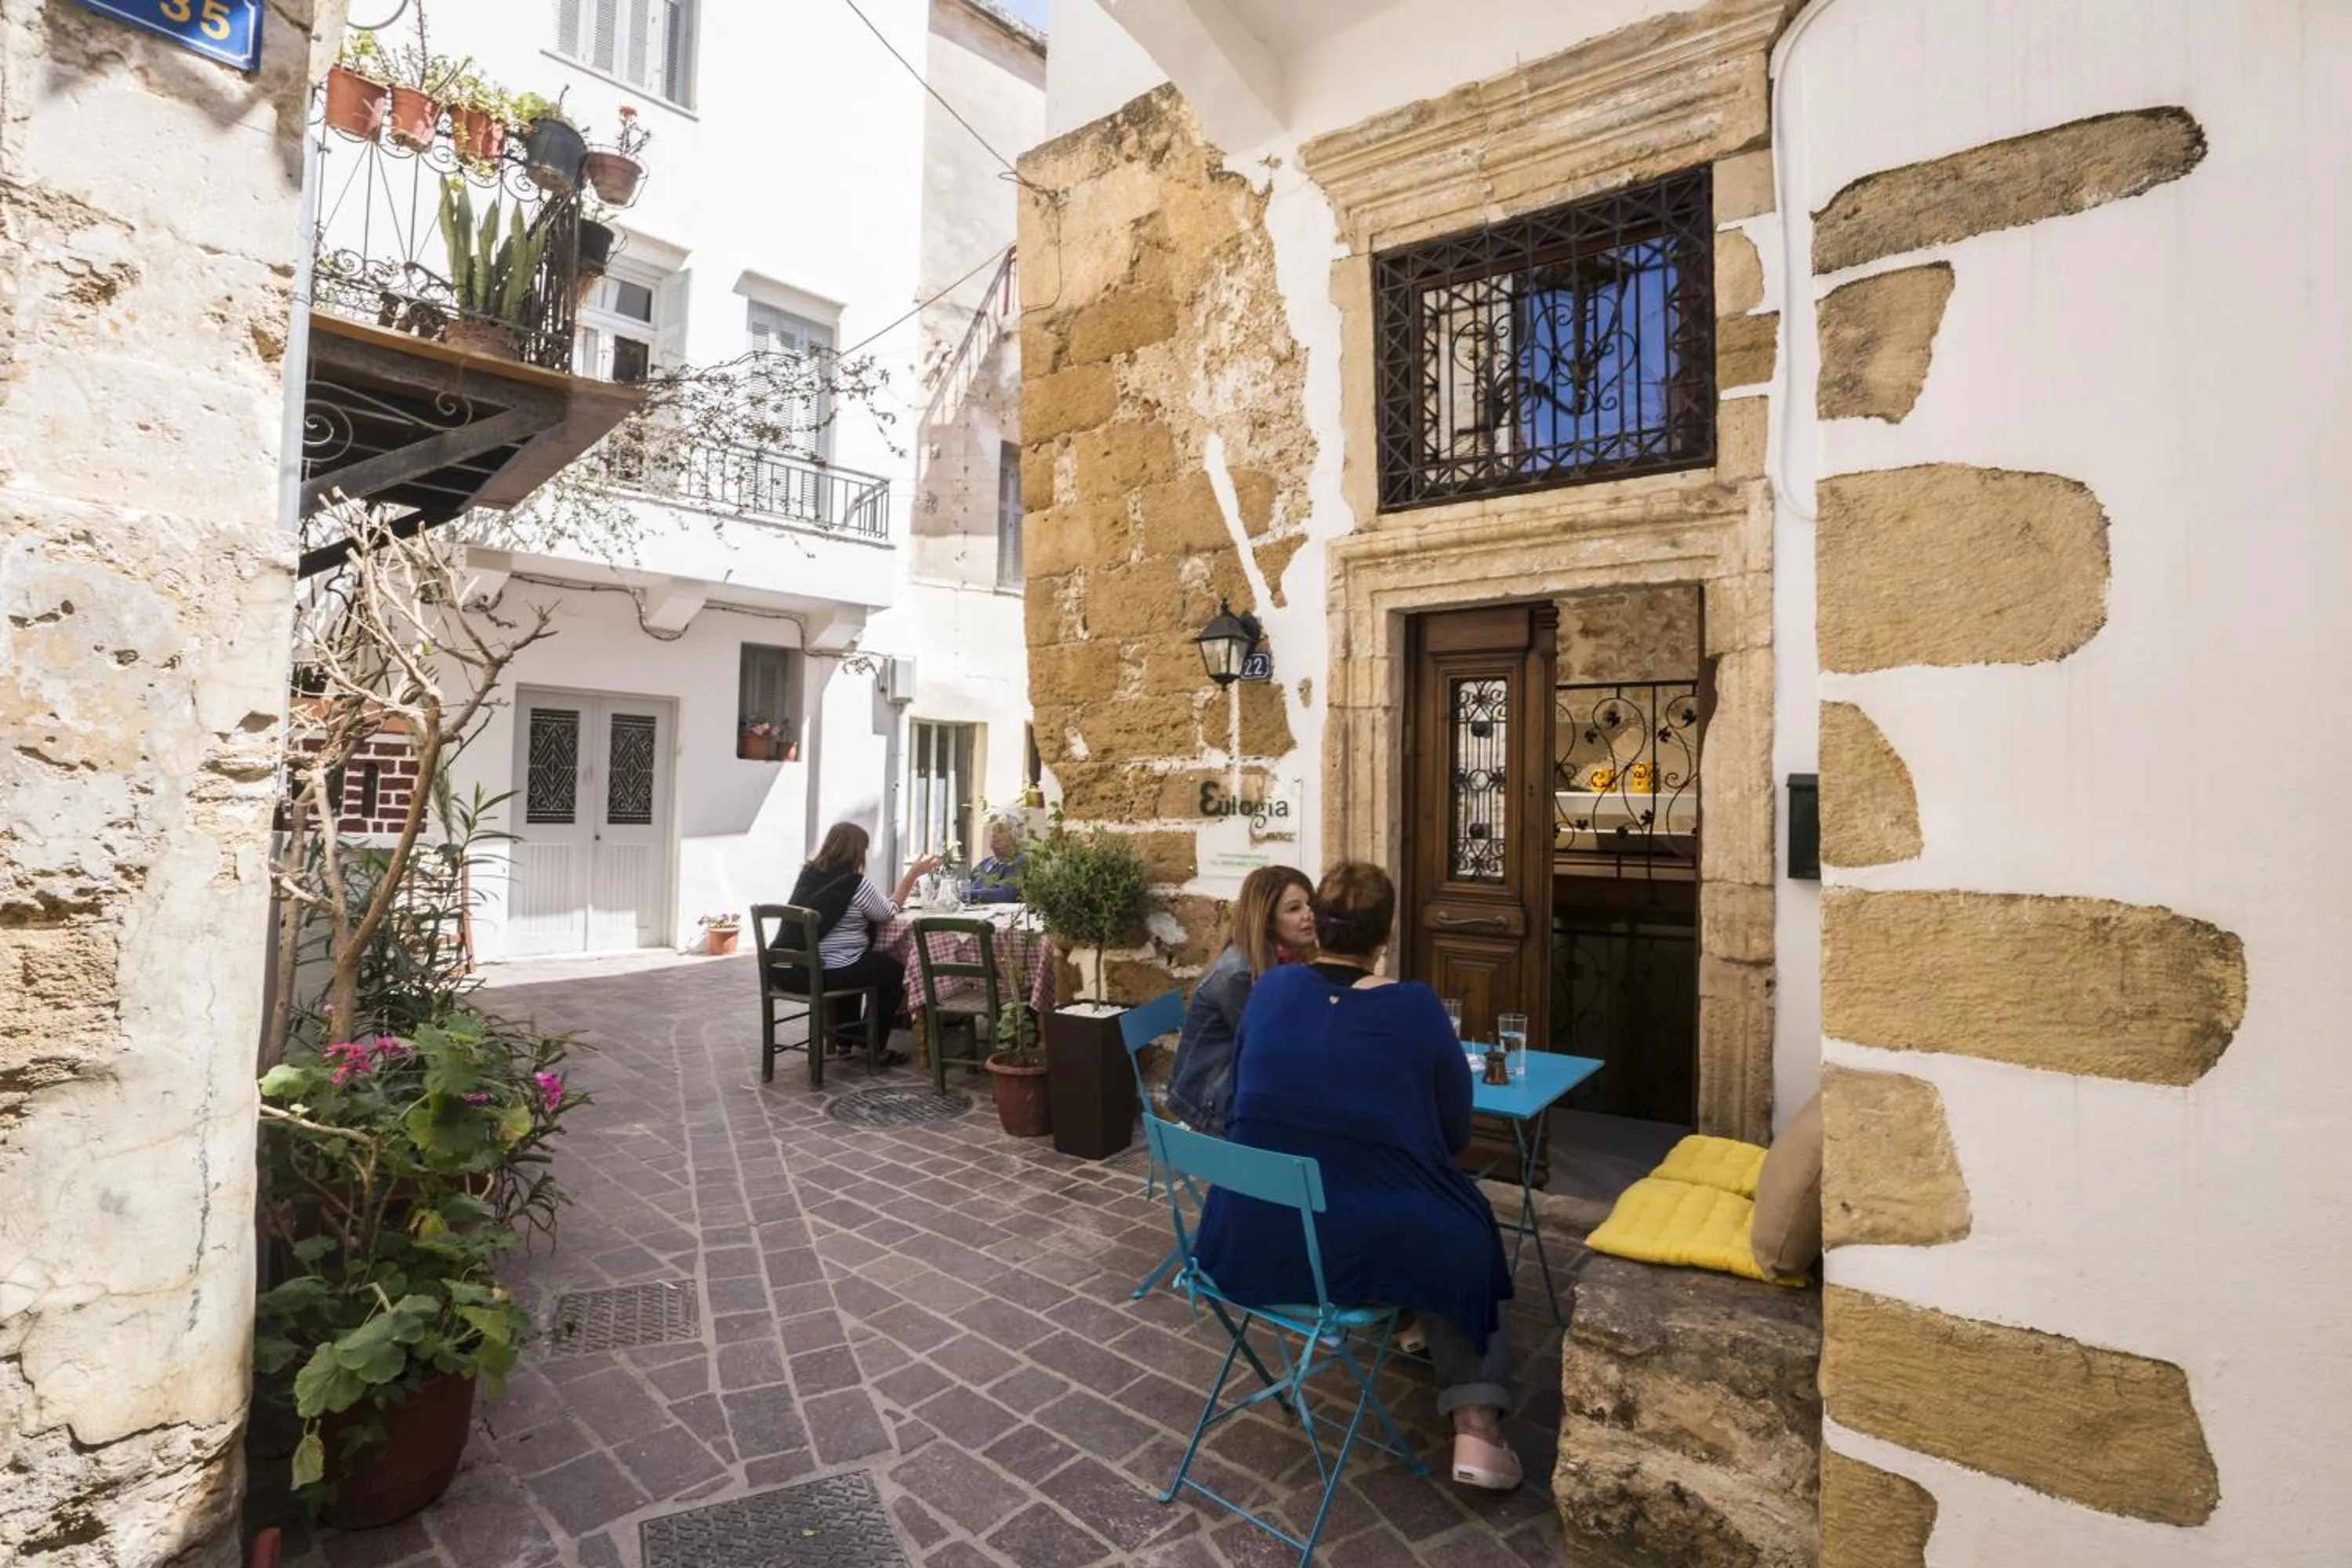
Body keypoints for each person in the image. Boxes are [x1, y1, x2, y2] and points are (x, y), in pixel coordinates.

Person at [1191, 861, 1522, 1491]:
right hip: (1347, 1243)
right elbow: (1453, 1135)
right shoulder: (1415, 1007)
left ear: (1319, 926)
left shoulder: (1271, 991)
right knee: (1464, 1227)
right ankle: (1477, 1428)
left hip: (1248, 1232)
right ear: (1387, 933)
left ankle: (1418, 1322)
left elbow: (1244, 1100)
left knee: (1402, 1204)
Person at [1163, 865, 1316, 1134]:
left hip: (1240, 1080)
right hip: (1213, 1101)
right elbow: (1273, 1049)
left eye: (1310, 904)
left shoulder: (1285, 958)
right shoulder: (1241, 974)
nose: (1309, 915)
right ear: (1267, 920)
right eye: (1294, 909)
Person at [782, 822, 938, 1065]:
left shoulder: (808, 876)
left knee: (861, 963)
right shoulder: (854, 883)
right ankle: (872, 1045)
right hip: (834, 969)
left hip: (803, 967)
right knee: (895, 973)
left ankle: (845, 1040)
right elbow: (887, 913)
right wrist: (912, 875)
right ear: (857, 851)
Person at [966, 814, 1026, 904]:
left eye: (1001, 831)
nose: (994, 834)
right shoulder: (985, 863)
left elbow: (1005, 895)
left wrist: (968, 894)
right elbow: (964, 885)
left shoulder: (1019, 861)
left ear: (1015, 838)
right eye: (993, 831)